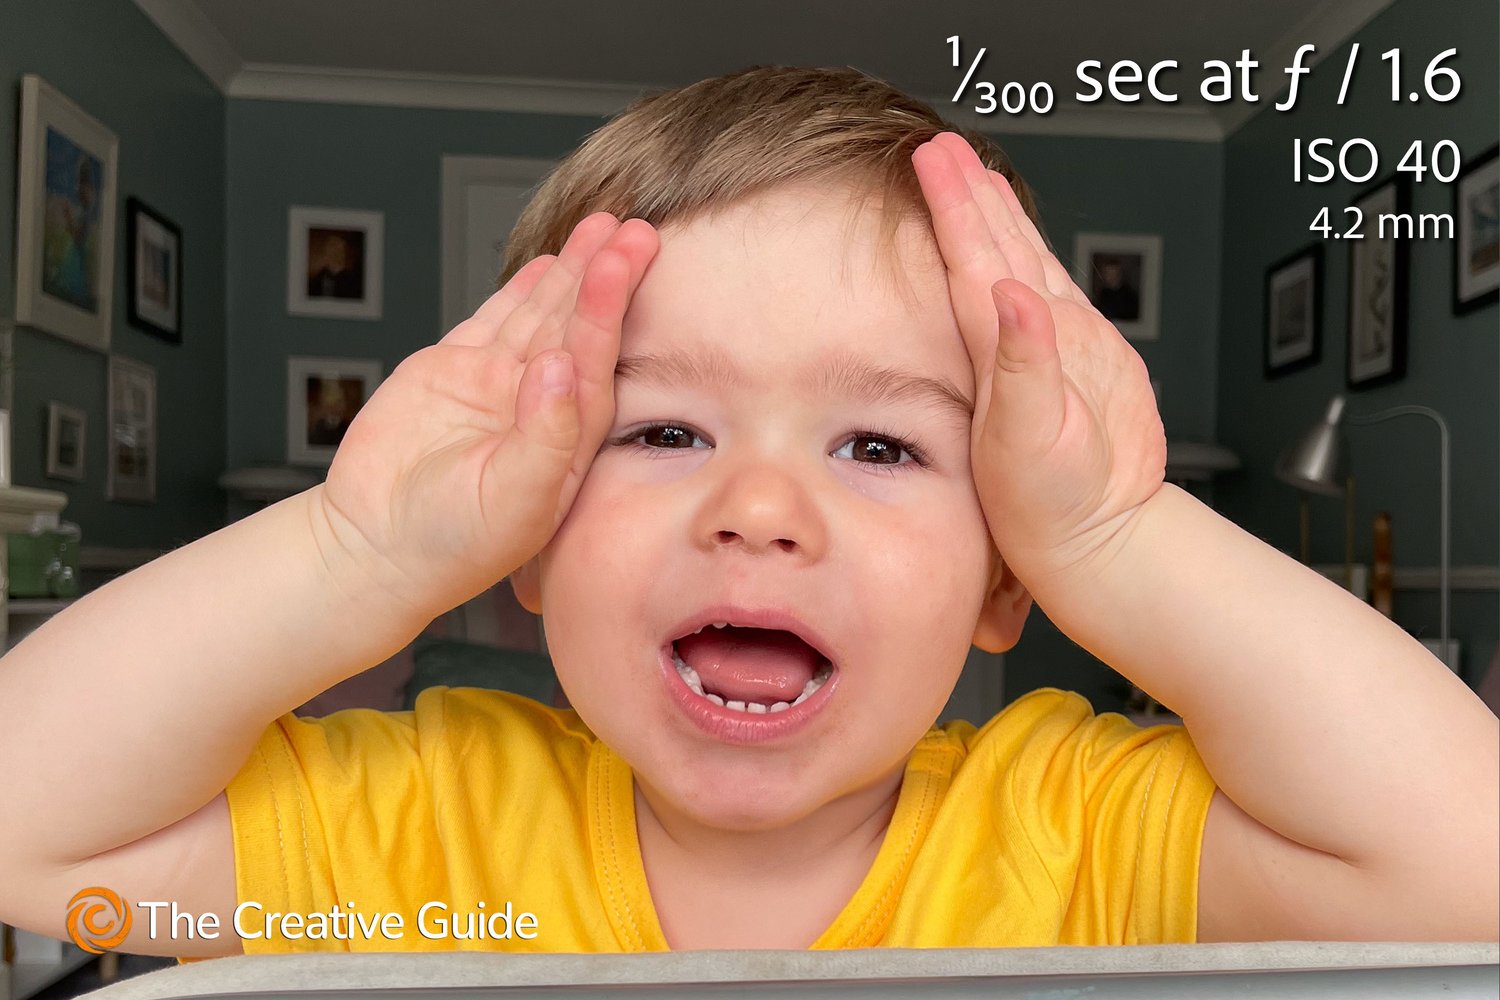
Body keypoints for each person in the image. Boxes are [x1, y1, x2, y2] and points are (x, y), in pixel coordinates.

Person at [0, 66, 1494, 958]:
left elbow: (1465, 876)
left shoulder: (1078, 840)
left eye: (883, 446)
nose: (761, 510)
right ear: (528, 541)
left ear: (1005, 578)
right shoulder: (416, 846)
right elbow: (28, 829)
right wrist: (359, 548)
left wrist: (1117, 535)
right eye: (661, 427)